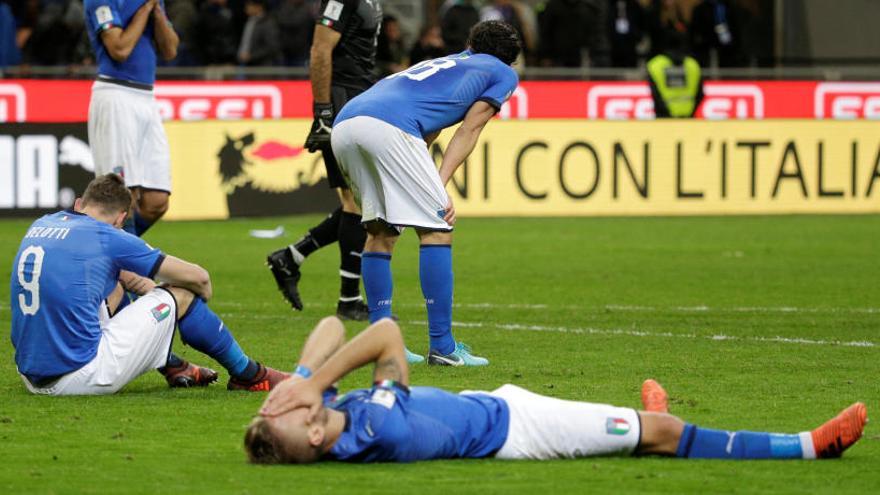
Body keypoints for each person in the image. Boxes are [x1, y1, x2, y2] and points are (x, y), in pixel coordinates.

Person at [246, 317, 867, 464]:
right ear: (313, 435)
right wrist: (314, 383)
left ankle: (637, 422)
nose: (306, 412)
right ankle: (810, 446)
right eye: (299, 419)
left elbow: (330, 324)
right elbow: (382, 333)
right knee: (663, 436)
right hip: (521, 432)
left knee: (640, 426)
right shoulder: (378, 429)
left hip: (503, 401)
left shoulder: (328, 419)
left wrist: (298, 382)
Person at [326, 20, 520, 366]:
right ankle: (443, 348)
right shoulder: (501, 73)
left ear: (471, 44)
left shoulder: (445, 64)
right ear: (508, 59)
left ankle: (381, 343)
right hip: (389, 129)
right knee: (437, 228)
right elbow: (469, 130)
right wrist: (438, 186)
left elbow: (423, 131)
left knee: (380, 231)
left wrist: (426, 183)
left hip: (346, 124)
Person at [10, 174, 289, 396]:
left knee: (115, 284)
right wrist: (193, 296)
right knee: (181, 295)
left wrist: (148, 291)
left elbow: (121, 277)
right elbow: (199, 277)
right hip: (78, 376)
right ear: (121, 218)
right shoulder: (109, 236)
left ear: (79, 204)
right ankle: (249, 375)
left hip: (31, 376)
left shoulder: (43, 223)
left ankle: (175, 366)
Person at [267, 0, 383, 321]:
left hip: (360, 98)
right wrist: (323, 113)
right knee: (356, 202)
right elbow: (320, 50)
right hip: (342, 101)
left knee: (358, 200)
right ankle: (348, 300)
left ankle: (291, 257)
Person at [84, 0, 177, 237]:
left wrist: (156, 11)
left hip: (146, 97)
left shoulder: (151, 3)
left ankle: (106, 253)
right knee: (123, 194)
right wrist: (145, 9)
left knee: (157, 200)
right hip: (116, 94)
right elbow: (119, 49)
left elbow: (170, 50)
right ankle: (122, 268)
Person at [646, 30, 703, 118]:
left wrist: (665, 112)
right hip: (688, 117)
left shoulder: (655, 65)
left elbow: (655, 94)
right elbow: (700, 94)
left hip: (664, 118)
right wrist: (691, 112)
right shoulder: (693, 65)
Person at [237, 0, 282, 66]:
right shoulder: (249, 21)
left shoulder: (269, 23)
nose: (246, 7)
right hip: (246, 63)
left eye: (249, 5)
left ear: (259, 7)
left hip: (263, 66)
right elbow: (245, 42)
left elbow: (272, 47)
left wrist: (251, 56)